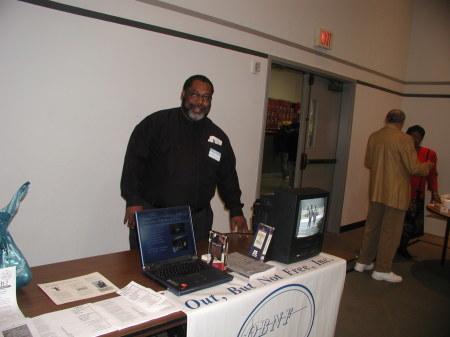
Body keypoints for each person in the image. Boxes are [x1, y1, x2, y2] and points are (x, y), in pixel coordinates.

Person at [121, 74, 249, 249]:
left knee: (193, 269)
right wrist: (133, 200)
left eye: (206, 97)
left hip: (197, 221)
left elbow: (227, 176)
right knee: (147, 269)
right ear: (183, 94)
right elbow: (134, 162)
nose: (200, 102)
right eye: (195, 94)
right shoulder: (156, 124)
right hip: (155, 217)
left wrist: (236, 210)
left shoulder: (217, 137)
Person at [354, 109, 434, 282]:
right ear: (402, 122)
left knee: (372, 228)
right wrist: (427, 165)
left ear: (387, 119)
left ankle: (363, 261)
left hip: (376, 191)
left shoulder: (374, 136)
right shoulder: (405, 139)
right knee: (391, 232)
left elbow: (368, 162)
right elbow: (414, 168)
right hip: (396, 193)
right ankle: (382, 270)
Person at [397, 125, 441, 258]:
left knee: (410, 225)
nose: (414, 139)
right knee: (396, 222)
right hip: (399, 193)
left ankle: (403, 247)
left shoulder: (429, 154)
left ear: (421, 139)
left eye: (417, 136)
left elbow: (432, 175)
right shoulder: (400, 151)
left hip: (416, 195)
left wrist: (435, 192)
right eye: (411, 135)